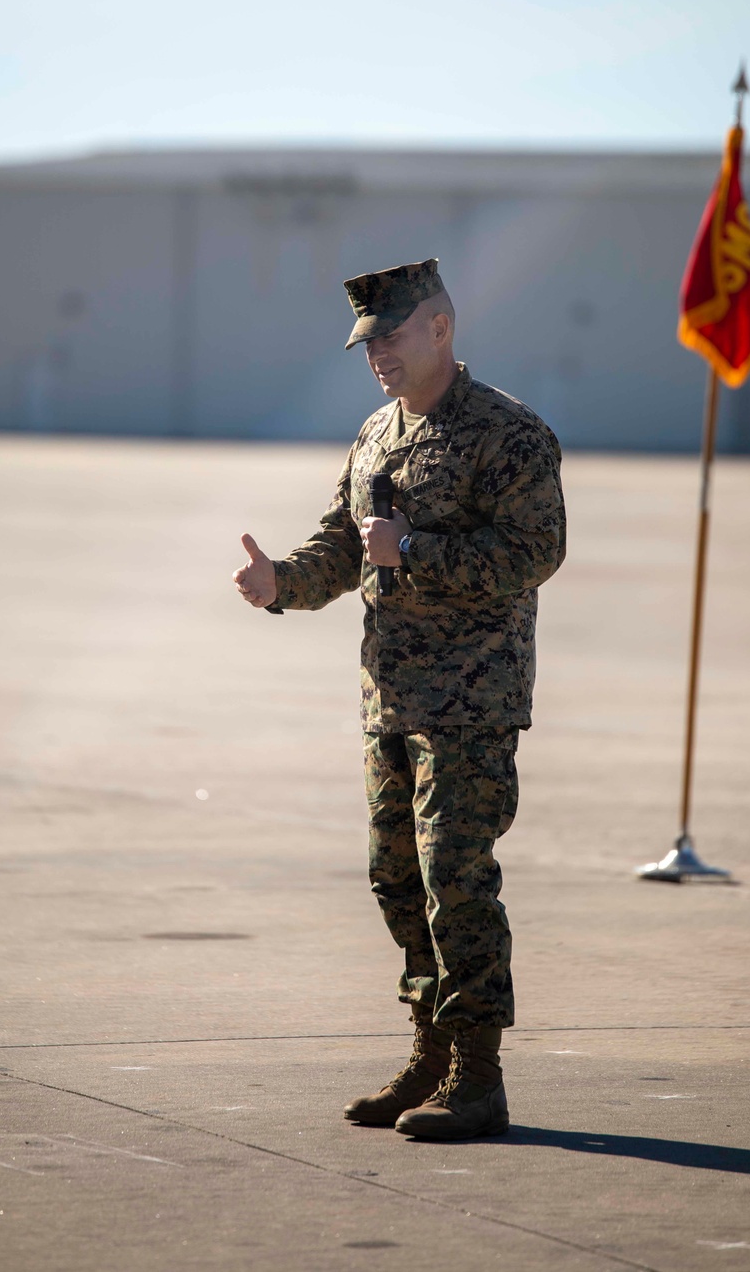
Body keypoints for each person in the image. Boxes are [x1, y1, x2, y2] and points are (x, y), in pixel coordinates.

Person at [233, 258, 566, 1140]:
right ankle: (429, 1053)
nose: (374, 353)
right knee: (397, 883)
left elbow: (534, 553)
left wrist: (414, 549)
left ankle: (479, 1075)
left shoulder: (509, 433)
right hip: (391, 697)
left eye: (389, 335)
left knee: (456, 879)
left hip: (471, 700)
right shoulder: (376, 434)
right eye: (365, 342)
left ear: (440, 328)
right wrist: (282, 585)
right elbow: (344, 546)